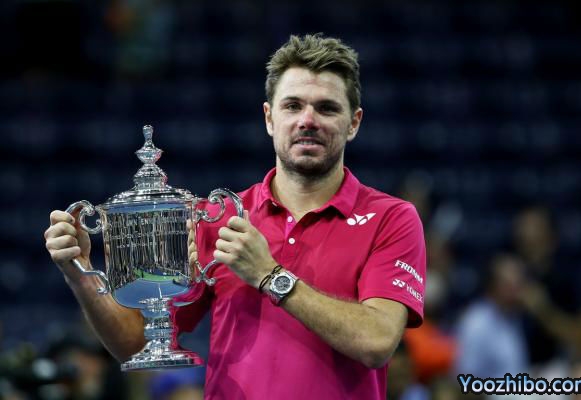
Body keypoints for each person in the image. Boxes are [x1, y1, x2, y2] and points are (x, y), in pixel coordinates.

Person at [44, 34, 427, 399]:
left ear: (354, 123)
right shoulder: (219, 217)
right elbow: (136, 344)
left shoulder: (391, 218)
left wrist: (269, 275)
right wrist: (80, 272)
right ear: (269, 118)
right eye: (292, 106)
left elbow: (377, 341)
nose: (307, 120)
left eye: (327, 108)